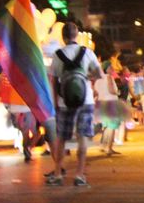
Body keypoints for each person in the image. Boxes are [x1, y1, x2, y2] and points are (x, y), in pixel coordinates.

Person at [47, 22, 102, 187]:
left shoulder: (58, 55)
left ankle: (57, 174)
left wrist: (55, 101)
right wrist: (87, 77)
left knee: (62, 138)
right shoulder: (87, 53)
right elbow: (99, 74)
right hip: (85, 101)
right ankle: (79, 175)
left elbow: (52, 80)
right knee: (82, 137)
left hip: (65, 103)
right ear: (76, 35)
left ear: (63, 37)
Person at [94, 65, 122, 157]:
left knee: (106, 126)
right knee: (112, 126)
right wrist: (117, 92)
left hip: (102, 103)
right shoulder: (109, 77)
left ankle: (104, 146)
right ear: (107, 69)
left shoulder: (97, 79)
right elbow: (111, 90)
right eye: (111, 68)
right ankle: (109, 148)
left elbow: (95, 92)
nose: (113, 69)